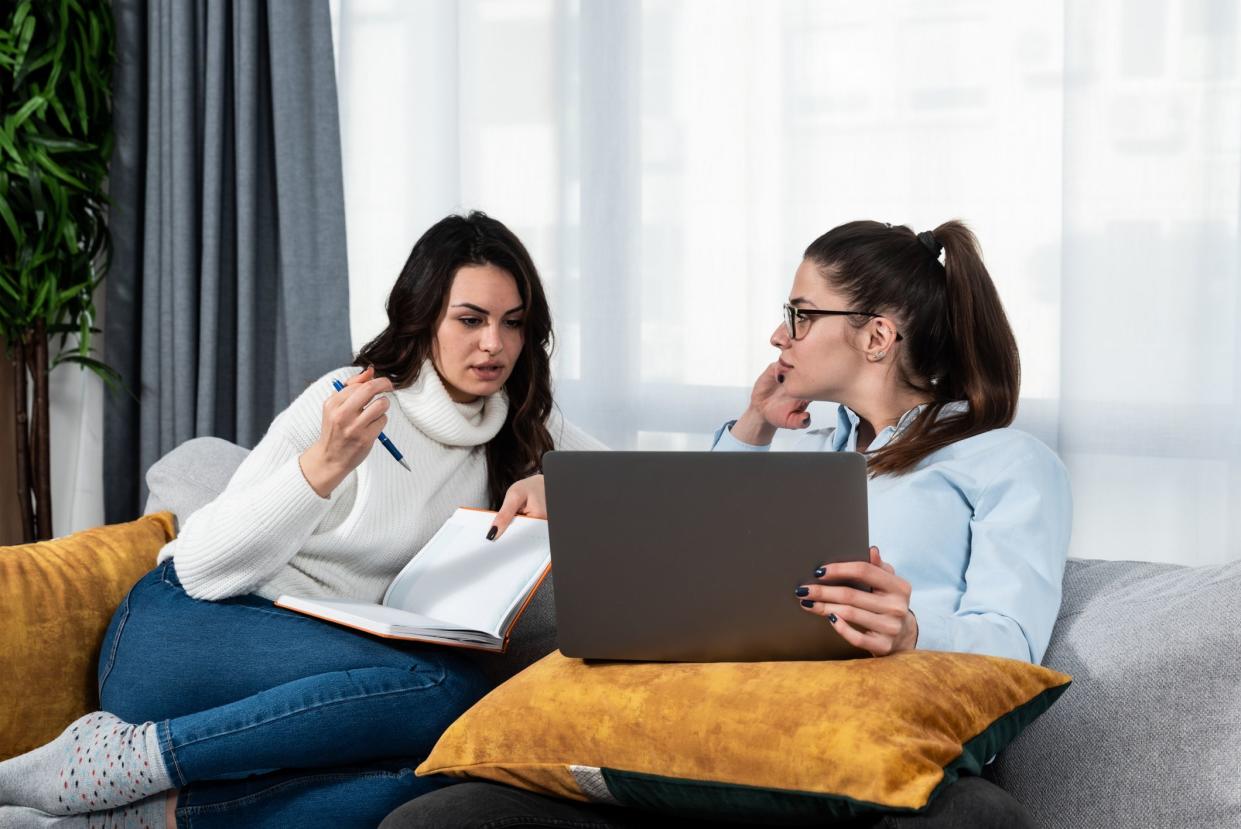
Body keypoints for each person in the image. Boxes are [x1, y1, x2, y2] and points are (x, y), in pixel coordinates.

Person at [387, 219, 1072, 828]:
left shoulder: (1005, 461)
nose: (779, 335)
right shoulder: (799, 446)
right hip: (717, 739)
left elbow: (1011, 644)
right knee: (444, 817)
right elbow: (695, 564)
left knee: (975, 817)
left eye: (801, 315)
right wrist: (750, 428)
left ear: (877, 335)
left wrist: (913, 629)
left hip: (868, 756)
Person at [0, 211, 602, 829]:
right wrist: (323, 465)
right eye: (470, 320)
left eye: (514, 324)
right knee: (451, 694)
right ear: (424, 318)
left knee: (432, 780)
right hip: (184, 632)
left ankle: (130, 819)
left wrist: (563, 485)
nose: (493, 345)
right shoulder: (345, 398)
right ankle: (129, 758)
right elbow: (201, 565)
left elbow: (639, 483)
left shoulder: (522, 422)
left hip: (331, 665)